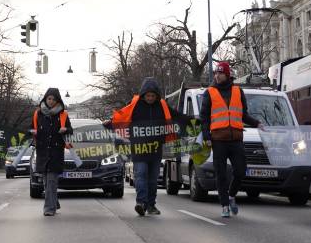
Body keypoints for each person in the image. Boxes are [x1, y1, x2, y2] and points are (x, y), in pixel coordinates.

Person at [105, 78, 192, 217]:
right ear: (143, 95)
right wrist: (109, 124)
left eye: (153, 96)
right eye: (148, 96)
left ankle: (151, 205)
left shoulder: (162, 106)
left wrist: (192, 121)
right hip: (139, 148)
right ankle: (141, 203)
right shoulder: (134, 105)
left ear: (156, 95)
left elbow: (177, 116)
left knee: (152, 178)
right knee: (141, 174)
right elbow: (121, 117)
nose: (150, 98)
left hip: (155, 149)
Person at [200, 62, 261, 218]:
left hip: (236, 138)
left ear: (227, 74)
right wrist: (206, 136)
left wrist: (257, 123)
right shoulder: (210, 92)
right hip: (218, 139)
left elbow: (243, 114)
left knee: (241, 170)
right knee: (220, 174)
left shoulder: (237, 91)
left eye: (220, 73)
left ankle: (232, 195)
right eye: (215, 73)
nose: (217, 76)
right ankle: (224, 205)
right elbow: (204, 118)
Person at [31, 88, 72, 217]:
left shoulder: (63, 114)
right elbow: (30, 128)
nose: (51, 101)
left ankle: (49, 209)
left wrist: (65, 129)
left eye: (53, 99)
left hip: (56, 151)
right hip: (42, 151)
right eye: (49, 98)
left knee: (51, 181)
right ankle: (54, 202)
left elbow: (70, 130)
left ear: (57, 100)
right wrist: (32, 131)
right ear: (45, 99)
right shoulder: (38, 114)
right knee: (45, 181)